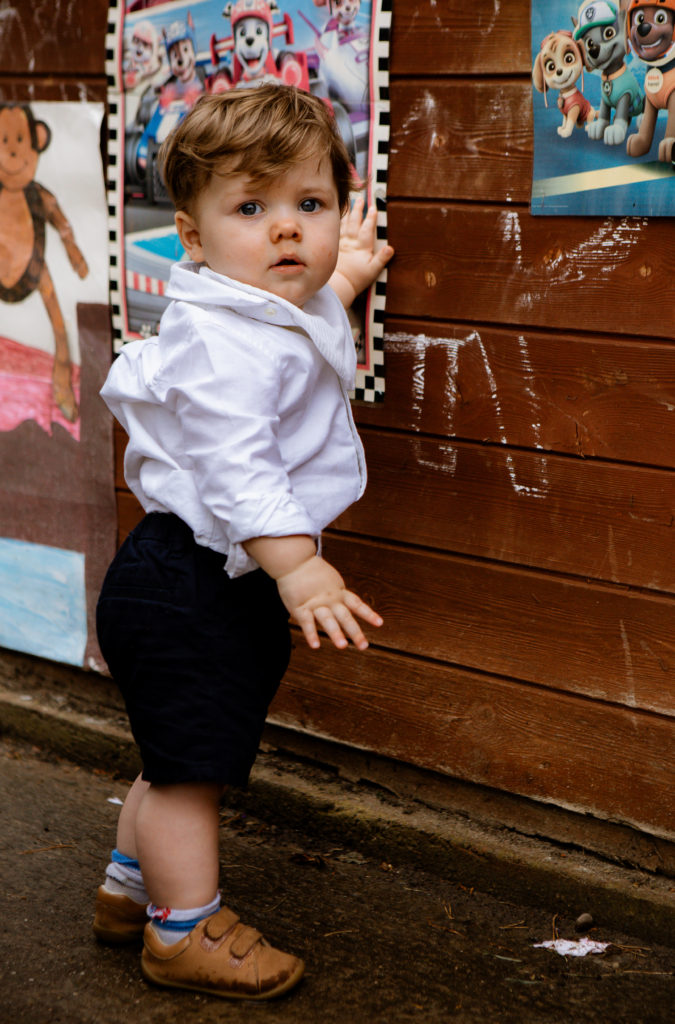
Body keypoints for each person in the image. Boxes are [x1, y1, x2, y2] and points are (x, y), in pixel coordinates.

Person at [93, 84, 393, 1002]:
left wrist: (345, 276)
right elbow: (237, 462)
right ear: (192, 236)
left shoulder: (258, 311)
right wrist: (298, 567)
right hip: (195, 578)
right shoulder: (221, 342)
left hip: (185, 574)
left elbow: (300, 322)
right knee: (192, 775)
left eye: (310, 206)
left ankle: (128, 892)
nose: (287, 233)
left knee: (172, 751)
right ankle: (182, 933)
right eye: (251, 209)